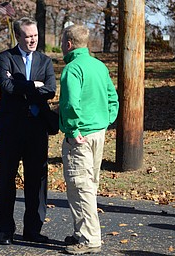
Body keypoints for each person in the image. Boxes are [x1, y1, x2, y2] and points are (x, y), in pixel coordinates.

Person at [0, 17, 56, 245]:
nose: (32, 40)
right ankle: (6, 230)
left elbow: (50, 91)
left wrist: (24, 87)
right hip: (10, 129)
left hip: (37, 129)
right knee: (6, 180)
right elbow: (6, 86)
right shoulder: (4, 58)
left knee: (36, 182)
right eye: (28, 36)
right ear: (18, 36)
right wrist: (33, 86)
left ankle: (33, 230)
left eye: (35, 35)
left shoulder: (45, 61)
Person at [59, 24, 119, 255]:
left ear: (69, 44)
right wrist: (105, 120)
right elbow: (112, 97)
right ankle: (81, 232)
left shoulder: (72, 69)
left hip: (80, 136)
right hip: (98, 133)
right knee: (89, 185)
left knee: (80, 187)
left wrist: (73, 129)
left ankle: (89, 239)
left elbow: (71, 104)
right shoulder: (99, 66)